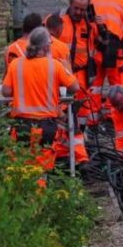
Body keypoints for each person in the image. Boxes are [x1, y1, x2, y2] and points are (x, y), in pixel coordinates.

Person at [2, 27, 79, 183]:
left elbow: (6, 92)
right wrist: (68, 69)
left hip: (21, 126)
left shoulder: (16, 64)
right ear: (46, 47)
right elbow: (75, 88)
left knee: (18, 167)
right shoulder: (55, 65)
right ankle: (36, 204)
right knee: (40, 172)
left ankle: (17, 201)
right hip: (46, 128)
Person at [44, 14, 89, 165]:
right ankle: (80, 158)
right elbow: (68, 76)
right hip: (59, 95)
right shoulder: (61, 47)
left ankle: (56, 156)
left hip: (41, 97)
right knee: (71, 126)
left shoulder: (30, 46)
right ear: (57, 29)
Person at [50, 0, 99, 127]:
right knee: (60, 109)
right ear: (70, 5)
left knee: (82, 111)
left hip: (81, 74)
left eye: (82, 9)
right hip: (61, 74)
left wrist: (99, 27)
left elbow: (99, 44)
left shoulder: (89, 24)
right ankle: (60, 139)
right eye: (75, 8)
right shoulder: (57, 20)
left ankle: (79, 138)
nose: (78, 12)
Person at [90, 0, 123, 121]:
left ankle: (92, 115)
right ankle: (112, 114)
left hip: (94, 46)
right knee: (118, 82)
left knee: (95, 84)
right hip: (114, 47)